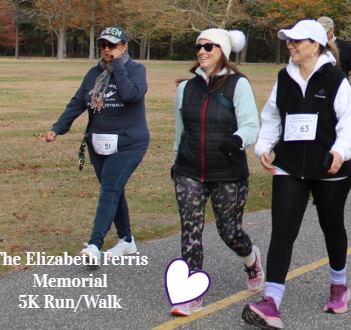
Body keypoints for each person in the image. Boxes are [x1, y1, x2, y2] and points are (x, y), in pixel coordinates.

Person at [243, 20, 351, 326]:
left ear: (316, 45)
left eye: (297, 41)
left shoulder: (335, 78)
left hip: (329, 167)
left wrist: (340, 151)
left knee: (331, 226)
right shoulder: (284, 78)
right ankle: (271, 301)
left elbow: (350, 121)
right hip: (290, 166)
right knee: (283, 230)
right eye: (289, 41)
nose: (291, 46)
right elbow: (272, 116)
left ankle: (339, 285)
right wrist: (264, 146)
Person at [171, 28, 262, 316]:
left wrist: (237, 140)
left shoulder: (238, 85)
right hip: (189, 170)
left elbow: (251, 126)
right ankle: (191, 293)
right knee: (190, 231)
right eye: (199, 46)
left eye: (209, 46)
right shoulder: (186, 88)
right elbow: (180, 132)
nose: (202, 51)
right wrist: (175, 164)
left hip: (227, 172)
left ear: (222, 50)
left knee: (229, 232)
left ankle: (251, 260)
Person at [45, 26, 148, 269]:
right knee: (113, 190)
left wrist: (118, 65)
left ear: (124, 46)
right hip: (98, 142)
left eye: (112, 45)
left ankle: (94, 245)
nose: (107, 49)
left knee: (110, 189)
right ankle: (126, 241)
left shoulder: (136, 69)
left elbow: (131, 95)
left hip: (129, 142)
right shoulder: (94, 73)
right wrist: (58, 127)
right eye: (103, 45)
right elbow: (78, 102)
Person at [317, 16, 351, 99]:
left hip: (340, 95)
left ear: (332, 30)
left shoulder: (344, 47)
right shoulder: (312, 47)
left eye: (325, 32)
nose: (322, 35)